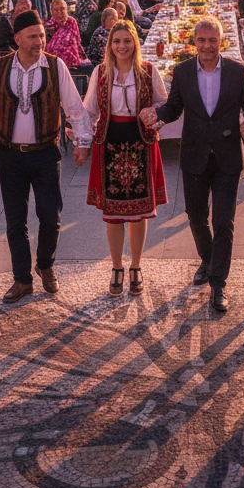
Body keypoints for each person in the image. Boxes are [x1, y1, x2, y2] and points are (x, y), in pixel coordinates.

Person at [140, 15, 244, 313]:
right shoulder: (182, 72)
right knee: (195, 216)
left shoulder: (236, 70)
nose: (207, 46)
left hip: (227, 157)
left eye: (213, 40)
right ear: (195, 42)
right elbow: (174, 106)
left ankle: (218, 283)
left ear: (222, 42)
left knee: (224, 222)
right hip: (194, 155)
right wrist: (159, 115)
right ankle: (207, 259)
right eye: (202, 40)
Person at [0, 11, 93, 303]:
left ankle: (45, 264)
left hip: (45, 154)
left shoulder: (55, 66)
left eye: (41, 35)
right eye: (33, 36)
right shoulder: (0, 68)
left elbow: (74, 108)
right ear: (17, 39)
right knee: (15, 221)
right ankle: (22, 279)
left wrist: (82, 141)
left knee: (50, 216)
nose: (40, 41)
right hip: (11, 156)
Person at [84, 20, 168, 296]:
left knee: (139, 211)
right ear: (110, 45)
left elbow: (162, 104)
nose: (122, 46)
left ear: (135, 43)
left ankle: (136, 266)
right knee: (113, 214)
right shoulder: (100, 72)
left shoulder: (148, 71)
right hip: (110, 143)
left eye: (127, 41)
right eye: (117, 41)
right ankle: (117, 267)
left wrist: (154, 117)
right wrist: (83, 141)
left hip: (140, 142)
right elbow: (89, 110)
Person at [45, 0, 88, 70]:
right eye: (56, 9)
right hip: (54, 58)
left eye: (62, 8)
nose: (59, 11)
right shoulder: (48, 26)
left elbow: (77, 40)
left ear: (66, 9)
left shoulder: (72, 21)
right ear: (51, 11)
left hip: (72, 55)